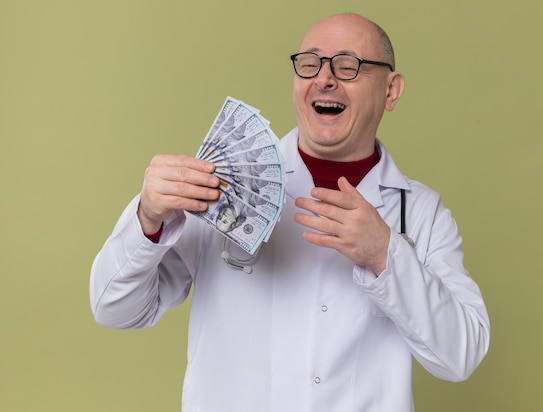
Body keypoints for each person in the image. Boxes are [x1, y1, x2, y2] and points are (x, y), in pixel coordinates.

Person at [90, 12, 490, 412]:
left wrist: (385, 254)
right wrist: (148, 221)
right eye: (310, 63)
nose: (324, 79)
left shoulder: (420, 212)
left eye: (348, 65)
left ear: (391, 90)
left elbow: (461, 357)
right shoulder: (224, 184)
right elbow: (116, 310)